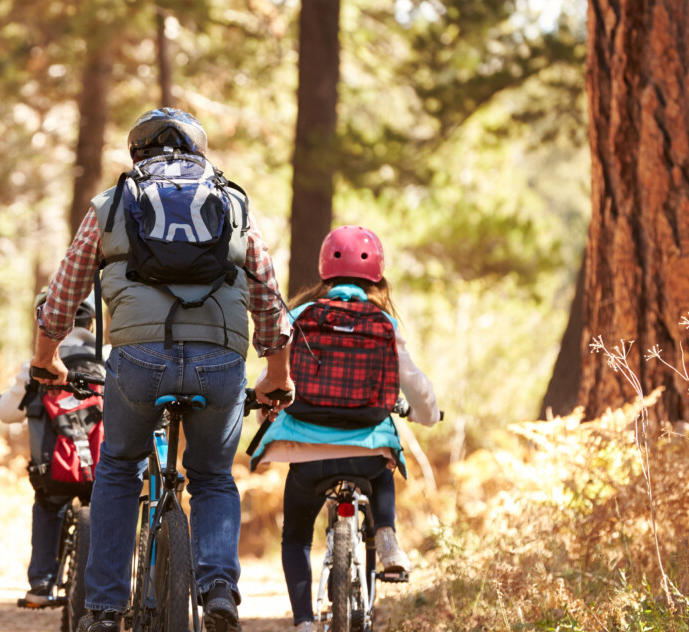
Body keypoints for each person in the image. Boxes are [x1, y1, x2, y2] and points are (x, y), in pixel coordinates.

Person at [30, 107, 294, 632]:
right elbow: (268, 297)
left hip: (138, 360)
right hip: (220, 361)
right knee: (214, 476)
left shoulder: (112, 205)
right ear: (199, 152)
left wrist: (46, 356)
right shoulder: (233, 202)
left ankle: (104, 608)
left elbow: (64, 294)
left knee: (119, 468)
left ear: (136, 154)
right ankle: (219, 589)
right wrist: (277, 373)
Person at [248, 226, 439, 632]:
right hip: (365, 451)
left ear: (324, 271)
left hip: (307, 450)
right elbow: (415, 384)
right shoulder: (384, 322)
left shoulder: (300, 316)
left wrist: (265, 414)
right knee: (383, 467)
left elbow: (276, 377)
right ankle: (386, 536)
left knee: (296, 538)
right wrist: (428, 415)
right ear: (378, 276)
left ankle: (302, 622)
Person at [0, 289, 106, 608]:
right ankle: (112, 586)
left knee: (48, 505)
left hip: (54, 471)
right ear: (90, 320)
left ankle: (42, 584)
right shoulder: (109, 357)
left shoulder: (36, 366)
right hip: (105, 470)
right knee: (112, 509)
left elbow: (6, 413)